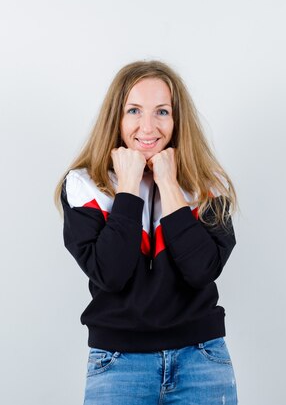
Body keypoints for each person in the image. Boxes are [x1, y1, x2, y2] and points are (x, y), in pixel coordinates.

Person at [54, 60, 239, 405]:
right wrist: (127, 188)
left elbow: (202, 271)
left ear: (177, 120)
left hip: (201, 358)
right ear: (117, 118)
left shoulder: (210, 186)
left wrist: (168, 182)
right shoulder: (83, 186)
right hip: (118, 361)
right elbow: (111, 274)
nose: (148, 126)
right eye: (134, 110)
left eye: (162, 112)